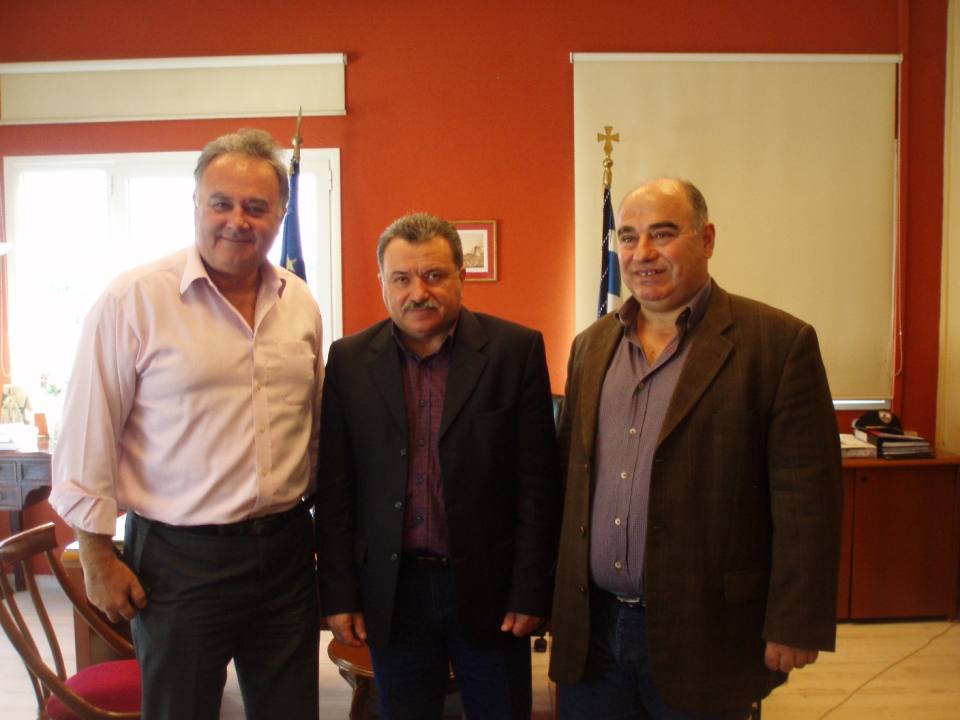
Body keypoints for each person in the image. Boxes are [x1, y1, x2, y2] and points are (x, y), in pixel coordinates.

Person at [50, 128, 324, 720]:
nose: (237, 221)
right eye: (221, 203)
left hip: (285, 554)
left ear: (280, 215)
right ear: (195, 203)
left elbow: (314, 428)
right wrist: (95, 555)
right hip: (180, 561)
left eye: (257, 207)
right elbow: (87, 435)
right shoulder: (133, 300)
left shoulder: (300, 303)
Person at [549, 178, 843, 719]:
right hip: (593, 632)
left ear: (706, 239)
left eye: (663, 234)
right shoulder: (590, 346)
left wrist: (795, 621)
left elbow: (807, 501)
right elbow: (569, 484)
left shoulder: (778, 344)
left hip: (708, 631)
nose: (642, 253)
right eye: (629, 237)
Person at [316, 212, 560, 719]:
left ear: (461, 276)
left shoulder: (515, 351)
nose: (418, 292)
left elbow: (538, 485)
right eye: (401, 278)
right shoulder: (349, 360)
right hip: (393, 591)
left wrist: (532, 589)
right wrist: (339, 594)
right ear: (382, 283)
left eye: (434, 275)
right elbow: (336, 489)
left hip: (490, 589)